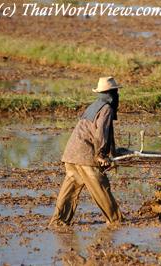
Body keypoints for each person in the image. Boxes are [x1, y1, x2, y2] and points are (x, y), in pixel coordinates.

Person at [49, 77, 124, 226]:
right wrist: (101, 155)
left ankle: (58, 221)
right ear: (112, 93)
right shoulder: (106, 108)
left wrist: (113, 153)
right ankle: (116, 221)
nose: (117, 96)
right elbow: (101, 132)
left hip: (71, 153)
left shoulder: (94, 106)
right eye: (116, 92)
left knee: (70, 189)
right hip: (85, 155)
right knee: (100, 186)